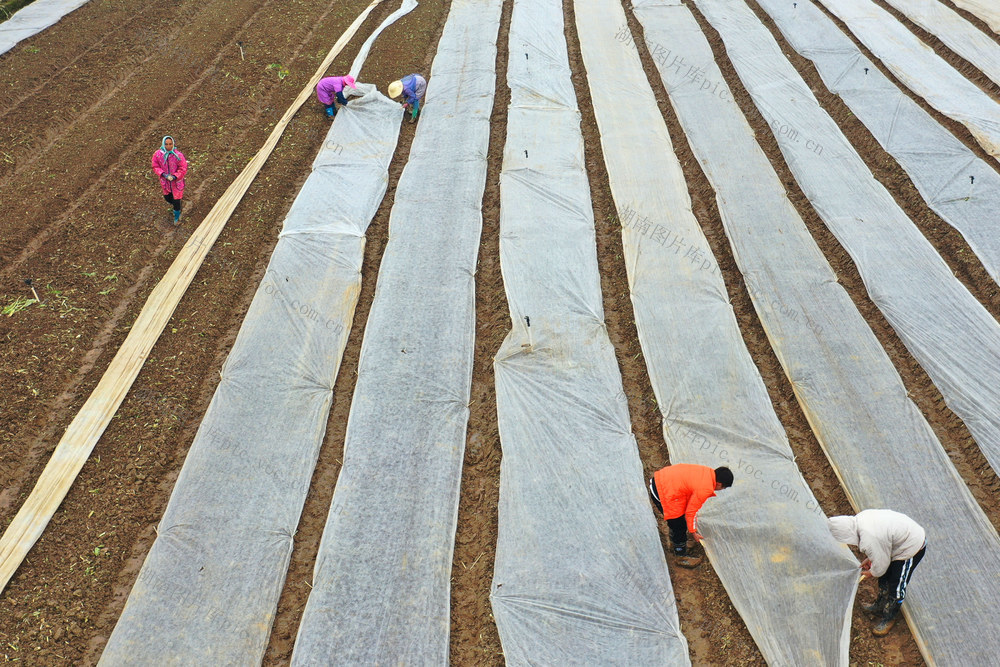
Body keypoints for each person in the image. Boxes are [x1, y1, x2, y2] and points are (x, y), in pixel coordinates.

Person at [828, 510, 926, 636]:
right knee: (885, 576)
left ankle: (889, 617)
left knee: (897, 583)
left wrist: (872, 572)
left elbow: (880, 567)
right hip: (897, 540)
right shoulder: (860, 520)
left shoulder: (868, 537)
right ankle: (880, 605)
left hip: (911, 545)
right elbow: (881, 546)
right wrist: (872, 558)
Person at [648, 463, 734, 568]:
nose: (721, 490)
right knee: (678, 525)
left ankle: (676, 543)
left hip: (661, 480)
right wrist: (693, 532)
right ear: (719, 484)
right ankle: (680, 555)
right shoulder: (705, 488)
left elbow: (690, 499)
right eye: (723, 488)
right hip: (662, 492)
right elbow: (690, 511)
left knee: (679, 521)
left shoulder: (706, 472)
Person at [151, 135, 188, 225]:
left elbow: (183, 168)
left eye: (170, 144)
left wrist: (175, 176)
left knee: (176, 200)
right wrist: (163, 174)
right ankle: (177, 205)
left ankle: (177, 217)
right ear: (163, 144)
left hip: (177, 183)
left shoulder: (178, 155)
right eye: (166, 144)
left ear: (173, 144)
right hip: (166, 182)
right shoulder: (158, 155)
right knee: (167, 198)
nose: (168, 146)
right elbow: (155, 166)